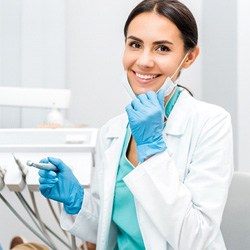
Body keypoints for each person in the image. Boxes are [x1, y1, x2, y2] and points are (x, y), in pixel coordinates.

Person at [38, 0, 234, 249]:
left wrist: (152, 151)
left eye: (162, 48)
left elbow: (195, 238)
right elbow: (108, 231)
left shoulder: (211, 123)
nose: (143, 61)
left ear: (189, 57)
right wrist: (77, 201)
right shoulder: (112, 131)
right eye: (135, 44)